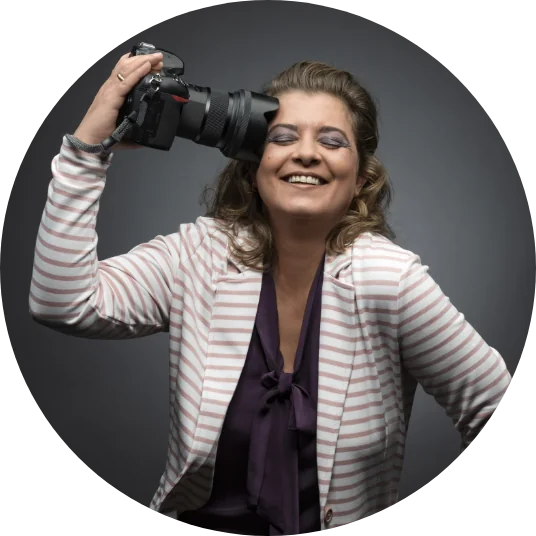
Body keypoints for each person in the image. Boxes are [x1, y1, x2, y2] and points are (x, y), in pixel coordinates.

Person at [28, 49, 512, 535]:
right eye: (282, 137)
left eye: (332, 141)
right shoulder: (198, 256)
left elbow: (492, 405)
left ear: (361, 178)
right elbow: (62, 301)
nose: (306, 153)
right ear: (252, 166)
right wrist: (87, 150)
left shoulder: (390, 280)